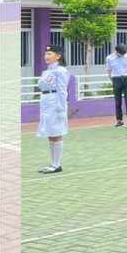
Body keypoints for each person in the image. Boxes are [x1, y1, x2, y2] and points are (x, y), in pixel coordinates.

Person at [36, 44, 71, 173]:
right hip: (46, 102)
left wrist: (62, 109)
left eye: (50, 54)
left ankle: (56, 165)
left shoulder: (61, 71)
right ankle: (53, 164)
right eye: (46, 54)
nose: (46, 56)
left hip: (55, 102)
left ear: (58, 56)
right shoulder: (47, 71)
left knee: (56, 133)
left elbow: (62, 90)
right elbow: (42, 86)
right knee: (50, 133)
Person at [105, 42, 127, 127]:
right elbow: (109, 70)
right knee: (118, 101)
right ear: (116, 51)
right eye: (120, 54)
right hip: (116, 79)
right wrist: (113, 80)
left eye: (123, 54)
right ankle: (119, 120)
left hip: (126, 78)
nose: (122, 55)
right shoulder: (110, 58)